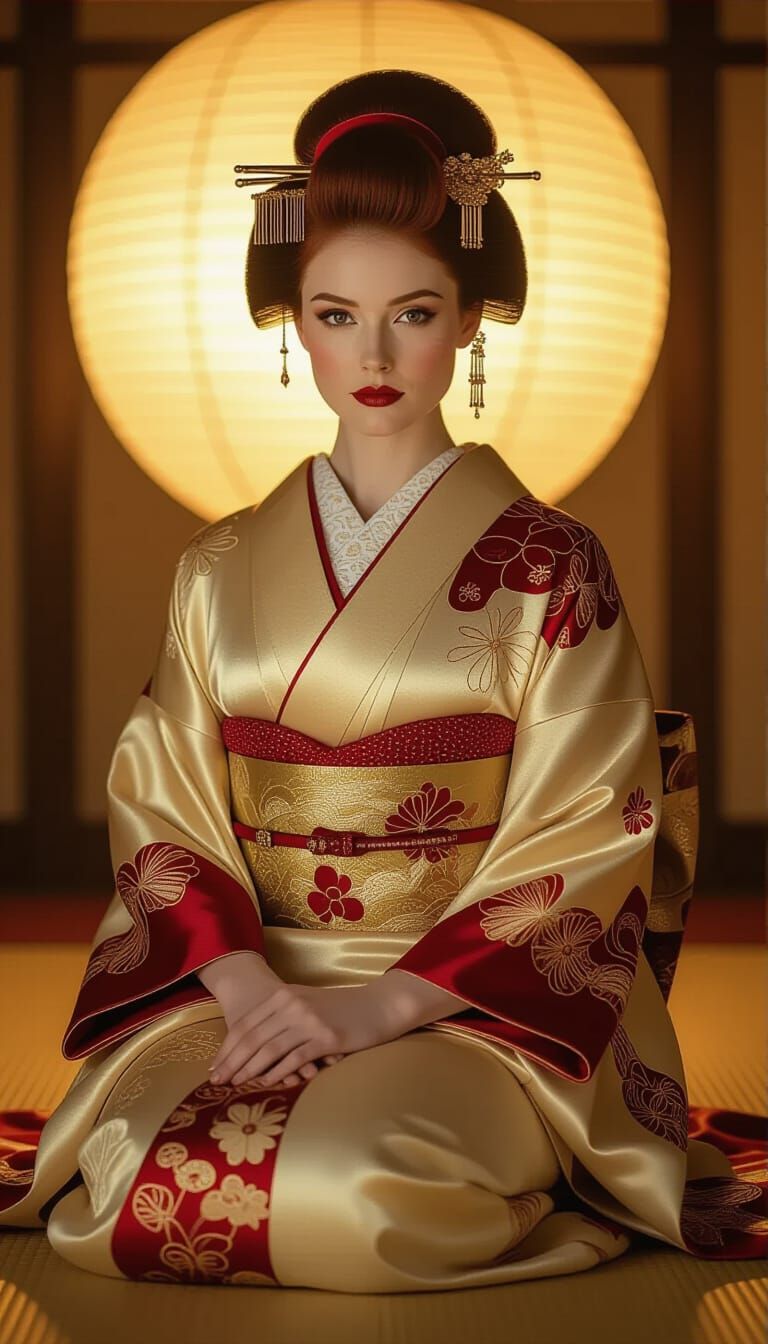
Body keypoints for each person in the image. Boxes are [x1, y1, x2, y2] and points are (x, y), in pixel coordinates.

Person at [1, 69, 765, 1291]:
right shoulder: (221, 563)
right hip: (247, 983)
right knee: (139, 1175)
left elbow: (588, 824)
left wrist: (378, 1009)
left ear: (469, 320)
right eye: (334, 313)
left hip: (473, 1005)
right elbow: (166, 801)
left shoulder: (550, 564)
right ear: (291, 323)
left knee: (347, 1189)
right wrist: (248, 988)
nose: (372, 351)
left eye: (412, 313)